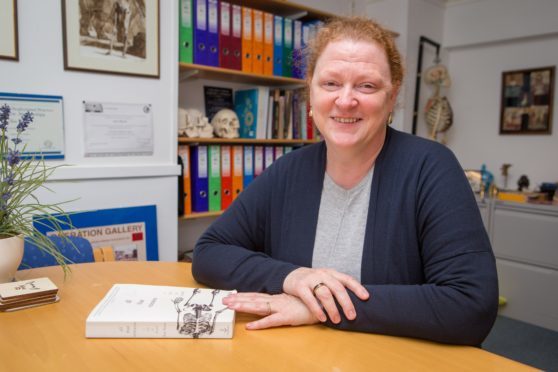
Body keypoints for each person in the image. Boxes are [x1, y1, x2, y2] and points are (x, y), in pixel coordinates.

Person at [192, 16, 498, 346]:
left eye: (366, 86)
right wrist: (294, 278)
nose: (346, 100)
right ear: (310, 90)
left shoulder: (431, 167)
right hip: (302, 356)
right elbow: (209, 252)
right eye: (331, 84)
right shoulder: (288, 171)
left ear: (391, 97)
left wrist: (321, 307)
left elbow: (471, 306)